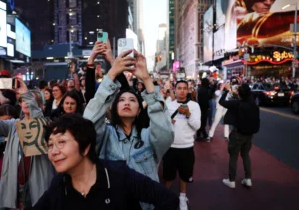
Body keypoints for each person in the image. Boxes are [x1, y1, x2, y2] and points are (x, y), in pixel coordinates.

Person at [84, 49, 174, 209]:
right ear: (113, 107)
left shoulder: (148, 136)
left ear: (139, 110)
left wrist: (146, 79)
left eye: (132, 100)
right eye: (122, 100)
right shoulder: (105, 134)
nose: (127, 102)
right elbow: (87, 125)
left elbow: (166, 133)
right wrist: (111, 75)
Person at [33, 114, 179, 210]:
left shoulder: (118, 175)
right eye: (50, 145)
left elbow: (168, 199)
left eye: (61, 142)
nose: (53, 151)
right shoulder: (59, 185)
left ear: (85, 147)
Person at [0, 76, 55, 208]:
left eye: (31, 100)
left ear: (40, 105)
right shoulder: (13, 125)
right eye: (22, 100)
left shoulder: (47, 124)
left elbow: (38, 123)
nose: (25, 102)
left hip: (38, 184)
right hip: (16, 185)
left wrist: (26, 93)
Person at [163, 80, 201, 210]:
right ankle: (165, 198)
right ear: (175, 89)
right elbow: (162, 125)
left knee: (184, 176)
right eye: (179, 88)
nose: (182, 91)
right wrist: (169, 123)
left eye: (185, 88)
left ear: (188, 90)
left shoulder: (194, 106)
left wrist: (188, 114)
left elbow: (197, 126)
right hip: (170, 146)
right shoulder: (168, 105)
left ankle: (182, 198)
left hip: (187, 147)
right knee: (168, 176)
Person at [219, 83, 260, 188]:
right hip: (249, 134)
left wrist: (226, 91)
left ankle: (231, 180)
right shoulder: (254, 104)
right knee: (245, 155)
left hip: (238, 133)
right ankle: (248, 178)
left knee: (233, 156)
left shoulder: (236, 103)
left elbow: (221, 102)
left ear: (240, 94)